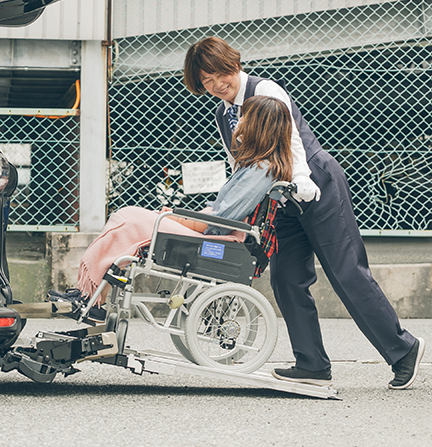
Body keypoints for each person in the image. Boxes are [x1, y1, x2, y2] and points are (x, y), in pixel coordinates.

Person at [182, 36, 424, 390]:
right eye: (206, 81)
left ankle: (403, 350)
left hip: (314, 183)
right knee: (286, 277)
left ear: (233, 64)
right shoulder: (223, 112)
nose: (217, 85)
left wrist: (300, 179)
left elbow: (290, 140)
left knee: (345, 272)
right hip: (279, 197)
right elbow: (241, 164)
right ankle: (312, 364)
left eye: (220, 74)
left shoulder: (265, 90)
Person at [70, 96, 293, 310]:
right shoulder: (255, 166)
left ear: (258, 126)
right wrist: (184, 219)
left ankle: (92, 294)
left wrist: (183, 220)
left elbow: (222, 221)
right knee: (129, 217)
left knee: (130, 218)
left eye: (245, 117)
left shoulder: (262, 169)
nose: (239, 122)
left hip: (216, 237)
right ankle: (93, 293)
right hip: (212, 230)